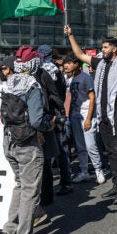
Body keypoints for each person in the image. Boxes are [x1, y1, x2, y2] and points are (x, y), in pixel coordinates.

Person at [64, 24, 117, 205]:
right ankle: (115, 184)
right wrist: (71, 35)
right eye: (102, 47)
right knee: (109, 151)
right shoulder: (100, 63)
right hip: (102, 116)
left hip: (116, 114)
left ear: (114, 49)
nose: (102, 50)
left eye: (105, 47)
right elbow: (79, 55)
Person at [0, 46, 53, 234]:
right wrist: (50, 125)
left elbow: (4, 116)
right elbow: (38, 120)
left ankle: (9, 230)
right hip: (27, 144)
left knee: (20, 185)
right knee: (30, 190)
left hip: (9, 140)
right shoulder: (32, 85)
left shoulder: (9, 83)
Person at [36, 44, 72, 197]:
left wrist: (59, 112)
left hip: (52, 115)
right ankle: (65, 182)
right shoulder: (55, 71)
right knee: (59, 150)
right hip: (56, 113)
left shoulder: (46, 72)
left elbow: (55, 95)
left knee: (58, 150)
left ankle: (64, 183)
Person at [63, 55, 105, 184]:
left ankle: (98, 170)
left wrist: (88, 118)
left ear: (77, 64)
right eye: (65, 63)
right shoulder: (70, 79)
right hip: (75, 116)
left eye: (69, 62)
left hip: (87, 115)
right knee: (80, 146)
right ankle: (84, 171)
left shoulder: (85, 78)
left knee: (90, 145)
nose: (66, 65)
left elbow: (92, 97)